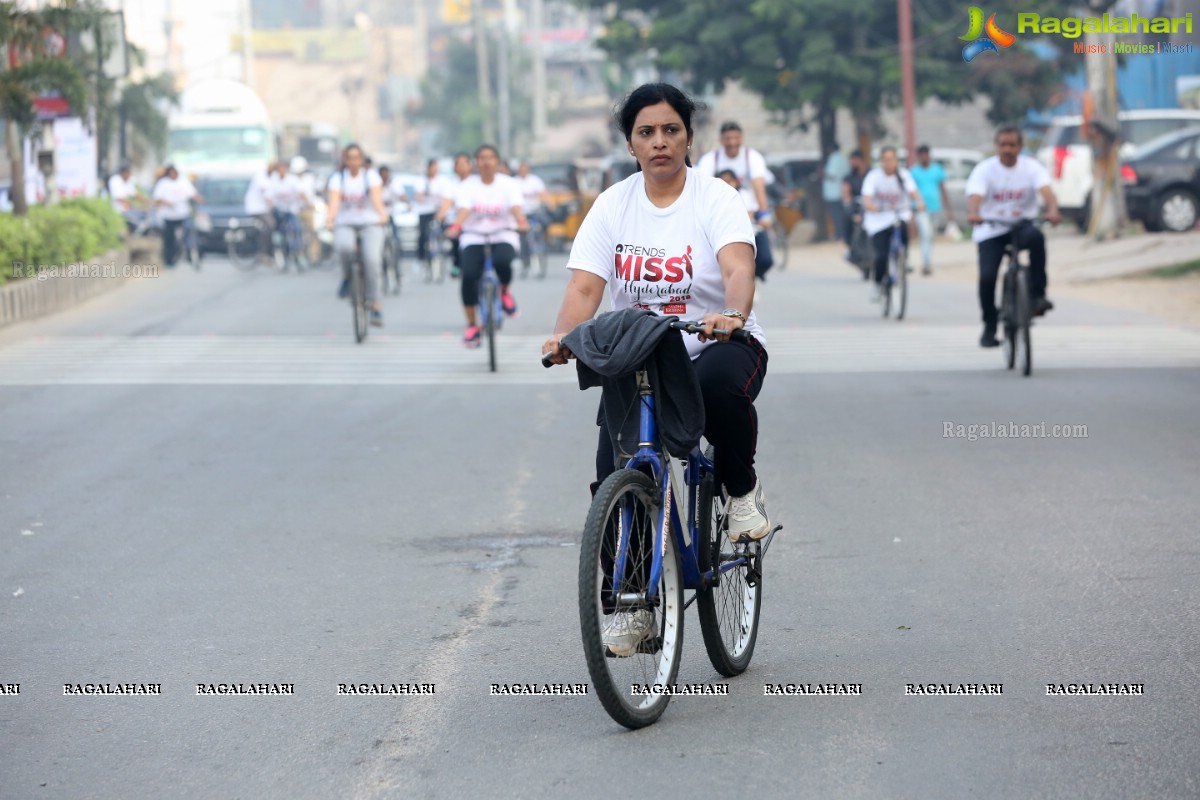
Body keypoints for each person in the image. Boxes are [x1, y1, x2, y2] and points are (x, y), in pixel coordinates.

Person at [541, 83, 772, 657]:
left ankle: (741, 492)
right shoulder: (613, 204)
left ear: (689, 138)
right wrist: (565, 336)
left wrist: (733, 313)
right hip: (640, 351)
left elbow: (738, 265)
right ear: (631, 144)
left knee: (719, 387)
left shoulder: (714, 198)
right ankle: (631, 602)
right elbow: (585, 285)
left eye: (671, 130)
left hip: (717, 342)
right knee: (613, 470)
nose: (660, 141)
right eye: (646, 132)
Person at [966, 125, 1061, 348]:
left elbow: (1047, 192)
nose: (1007, 149)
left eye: (1012, 145)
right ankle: (990, 325)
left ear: (1020, 147)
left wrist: (1053, 209)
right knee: (988, 278)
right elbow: (975, 196)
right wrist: (974, 212)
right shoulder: (984, 170)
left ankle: (1038, 294)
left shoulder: (1031, 168)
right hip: (991, 228)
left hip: (1022, 226)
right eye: (1002, 145)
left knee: (1037, 238)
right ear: (996, 147)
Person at [444, 145, 528, 347]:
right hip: (474, 236)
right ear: (476, 163)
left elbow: (515, 207)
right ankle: (472, 325)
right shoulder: (468, 186)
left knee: (503, 262)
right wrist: (456, 226)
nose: (486, 162)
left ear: (497, 162)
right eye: (481, 158)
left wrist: (522, 222)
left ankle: (505, 292)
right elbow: (465, 209)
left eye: (491, 158)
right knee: (469, 275)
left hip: (503, 233)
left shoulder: (508, 184)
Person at [696, 120, 773, 279]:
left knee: (765, 259)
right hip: (720, 216)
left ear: (741, 138)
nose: (732, 142)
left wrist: (764, 213)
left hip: (749, 213)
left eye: (735, 138)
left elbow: (759, 187)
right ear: (721, 140)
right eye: (727, 139)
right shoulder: (711, 160)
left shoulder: (752, 157)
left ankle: (752, 277)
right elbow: (701, 189)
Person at [325, 143, 389, 326]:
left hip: (370, 222)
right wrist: (330, 218)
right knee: (343, 247)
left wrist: (382, 215)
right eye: (349, 158)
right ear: (345, 160)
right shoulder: (338, 178)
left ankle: (376, 304)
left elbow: (376, 200)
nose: (353, 162)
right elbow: (334, 201)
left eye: (356, 158)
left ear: (361, 160)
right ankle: (346, 276)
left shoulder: (370, 177)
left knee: (372, 260)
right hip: (346, 222)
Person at [861, 146, 924, 301]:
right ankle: (877, 284)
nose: (889, 163)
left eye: (892, 159)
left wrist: (919, 202)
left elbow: (913, 192)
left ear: (897, 161)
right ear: (881, 161)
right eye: (885, 160)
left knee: (904, 228)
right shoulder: (873, 177)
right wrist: (870, 206)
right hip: (879, 219)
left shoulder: (903, 176)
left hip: (899, 214)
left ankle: (903, 258)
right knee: (881, 256)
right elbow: (866, 197)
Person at [909, 145, 954, 276]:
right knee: (926, 234)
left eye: (925, 154)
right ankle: (926, 264)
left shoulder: (937, 170)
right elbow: (910, 191)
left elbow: (943, 189)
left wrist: (949, 209)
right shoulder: (914, 172)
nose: (924, 157)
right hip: (920, 208)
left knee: (930, 236)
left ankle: (928, 261)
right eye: (921, 154)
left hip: (935, 207)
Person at [151, 164, 202, 268]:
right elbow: (157, 198)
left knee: (188, 234)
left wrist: (200, 200)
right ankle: (169, 261)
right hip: (169, 216)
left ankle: (190, 255)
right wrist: (167, 202)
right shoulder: (163, 183)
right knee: (169, 239)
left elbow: (192, 194)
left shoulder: (183, 181)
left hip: (183, 214)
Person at [437, 153, 474, 278]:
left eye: (464, 164)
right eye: (458, 164)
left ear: (470, 166)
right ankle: (457, 264)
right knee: (456, 241)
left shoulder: (476, 183)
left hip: (474, 222)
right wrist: (440, 216)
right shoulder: (450, 184)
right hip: (455, 221)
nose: (461, 167)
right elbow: (446, 203)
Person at [415, 158, 454, 264]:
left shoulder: (443, 181)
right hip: (425, 212)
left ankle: (445, 252)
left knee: (445, 232)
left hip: (439, 212)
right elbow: (419, 197)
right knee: (422, 234)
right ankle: (421, 257)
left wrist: (441, 213)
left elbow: (447, 200)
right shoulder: (422, 181)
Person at [515, 160, 547, 271]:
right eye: (521, 169)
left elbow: (543, 194)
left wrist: (549, 204)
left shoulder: (535, 181)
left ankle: (540, 250)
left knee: (539, 230)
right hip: (521, 215)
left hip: (535, 212)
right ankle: (524, 258)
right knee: (522, 238)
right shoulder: (514, 182)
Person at [243, 164, 277, 267]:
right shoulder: (261, 177)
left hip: (264, 208)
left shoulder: (273, 178)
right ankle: (262, 252)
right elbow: (266, 192)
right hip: (256, 208)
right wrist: (271, 204)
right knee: (270, 225)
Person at [841, 149, 869, 265]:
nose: (852, 163)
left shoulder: (872, 174)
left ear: (861, 160)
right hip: (856, 206)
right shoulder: (849, 177)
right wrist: (852, 211)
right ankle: (851, 248)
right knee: (847, 217)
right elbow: (846, 194)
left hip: (872, 206)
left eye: (854, 160)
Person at [821, 143, 849, 243]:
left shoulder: (834, 158)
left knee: (836, 216)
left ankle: (840, 235)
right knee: (841, 215)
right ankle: (844, 234)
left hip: (833, 192)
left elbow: (832, 174)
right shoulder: (844, 158)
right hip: (842, 191)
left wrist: (822, 173)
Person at [108, 164, 143, 231]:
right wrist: (131, 204)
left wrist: (146, 201)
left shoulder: (127, 181)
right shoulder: (115, 180)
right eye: (128, 174)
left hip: (126, 210)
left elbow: (134, 193)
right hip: (117, 210)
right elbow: (118, 197)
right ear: (124, 173)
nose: (129, 176)